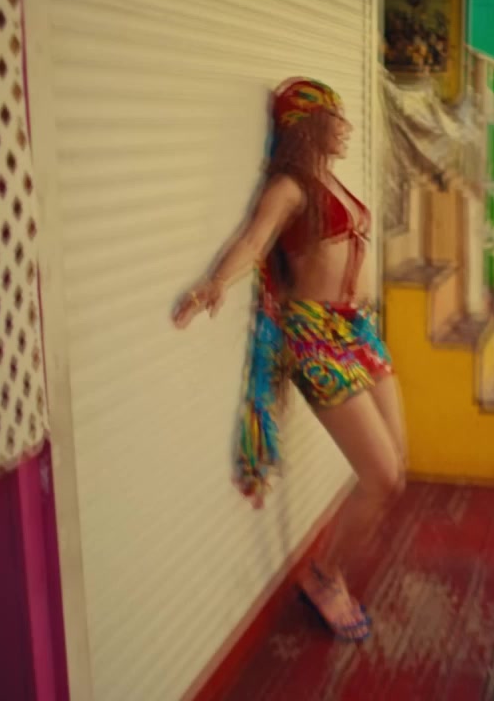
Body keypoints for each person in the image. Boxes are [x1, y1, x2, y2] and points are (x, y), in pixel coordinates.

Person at [172, 78, 405, 642]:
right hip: (317, 338)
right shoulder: (290, 186)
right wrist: (215, 282)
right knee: (382, 476)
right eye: (334, 119)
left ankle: (328, 572)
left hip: (358, 332)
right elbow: (254, 241)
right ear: (307, 126)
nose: (346, 128)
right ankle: (324, 577)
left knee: (397, 468)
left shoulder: (329, 179)